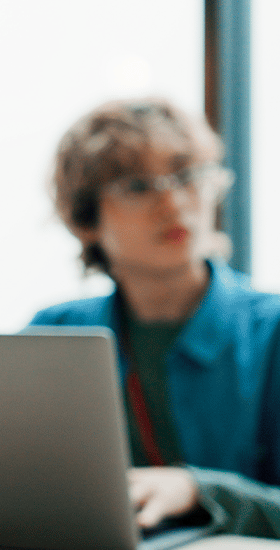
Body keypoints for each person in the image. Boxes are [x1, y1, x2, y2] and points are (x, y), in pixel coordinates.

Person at [29, 97, 280, 537]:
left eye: (187, 176)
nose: (174, 202)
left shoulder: (271, 331)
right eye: (138, 187)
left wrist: (198, 491)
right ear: (87, 219)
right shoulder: (54, 335)